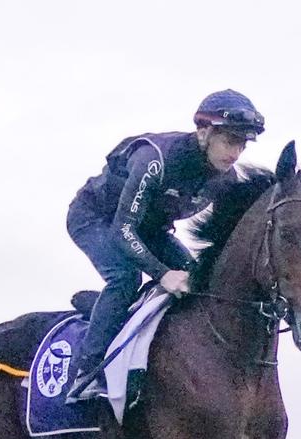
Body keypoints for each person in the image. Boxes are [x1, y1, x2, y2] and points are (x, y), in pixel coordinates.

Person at [64, 89, 265, 403]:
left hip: (149, 228)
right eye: (229, 140)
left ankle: (111, 311)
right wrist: (161, 273)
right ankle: (85, 371)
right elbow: (123, 230)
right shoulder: (155, 160)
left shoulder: (226, 179)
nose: (235, 152)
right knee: (125, 278)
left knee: (198, 281)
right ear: (203, 132)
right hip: (97, 219)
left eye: (241, 143)